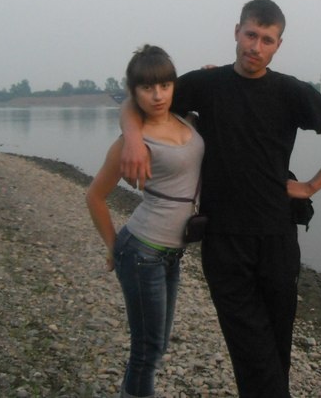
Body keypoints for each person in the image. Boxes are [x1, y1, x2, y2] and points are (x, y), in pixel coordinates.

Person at [119, 0, 321, 398]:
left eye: (267, 40)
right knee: (251, 352)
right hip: (225, 242)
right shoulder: (207, 84)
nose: (256, 46)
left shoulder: (291, 91)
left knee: (276, 349)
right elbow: (138, 100)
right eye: (251, 35)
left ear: (278, 45)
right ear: (236, 32)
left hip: (278, 240)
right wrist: (133, 138)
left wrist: (311, 186)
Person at [86, 44, 204, 398]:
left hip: (171, 255)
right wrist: (114, 247)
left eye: (165, 86)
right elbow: (95, 196)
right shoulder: (132, 142)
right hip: (141, 252)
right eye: (147, 88)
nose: (158, 95)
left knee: (157, 346)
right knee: (146, 352)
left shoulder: (184, 119)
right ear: (134, 91)